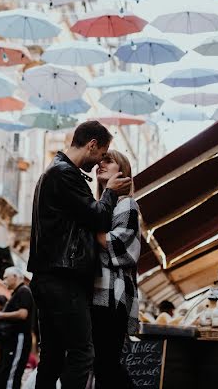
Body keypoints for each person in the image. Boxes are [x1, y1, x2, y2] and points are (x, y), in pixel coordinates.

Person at [28, 121, 129, 389]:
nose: (99, 164)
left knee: (52, 356)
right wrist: (109, 193)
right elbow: (96, 216)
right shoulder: (64, 173)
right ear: (92, 145)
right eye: (101, 154)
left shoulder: (55, 171)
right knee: (82, 352)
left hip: (49, 277)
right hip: (64, 277)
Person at [92, 150, 140, 389]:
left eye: (108, 161)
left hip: (113, 295)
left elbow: (120, 245)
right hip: (100, 294)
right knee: (100, 364)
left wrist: (89, 229)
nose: (100, 164)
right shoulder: (102, 205)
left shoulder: (127, 204)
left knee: (105, 364)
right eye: (100, 160)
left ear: (122, 172)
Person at [0, 267, 34, 389]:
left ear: (15, 277)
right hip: (12, 340)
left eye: (6, 277)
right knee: (6, 372)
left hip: (19, 338)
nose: (4, 281)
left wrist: (0, 315)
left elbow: (23, 314)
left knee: (12, 374)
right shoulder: (17, 293)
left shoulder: (24, 291)